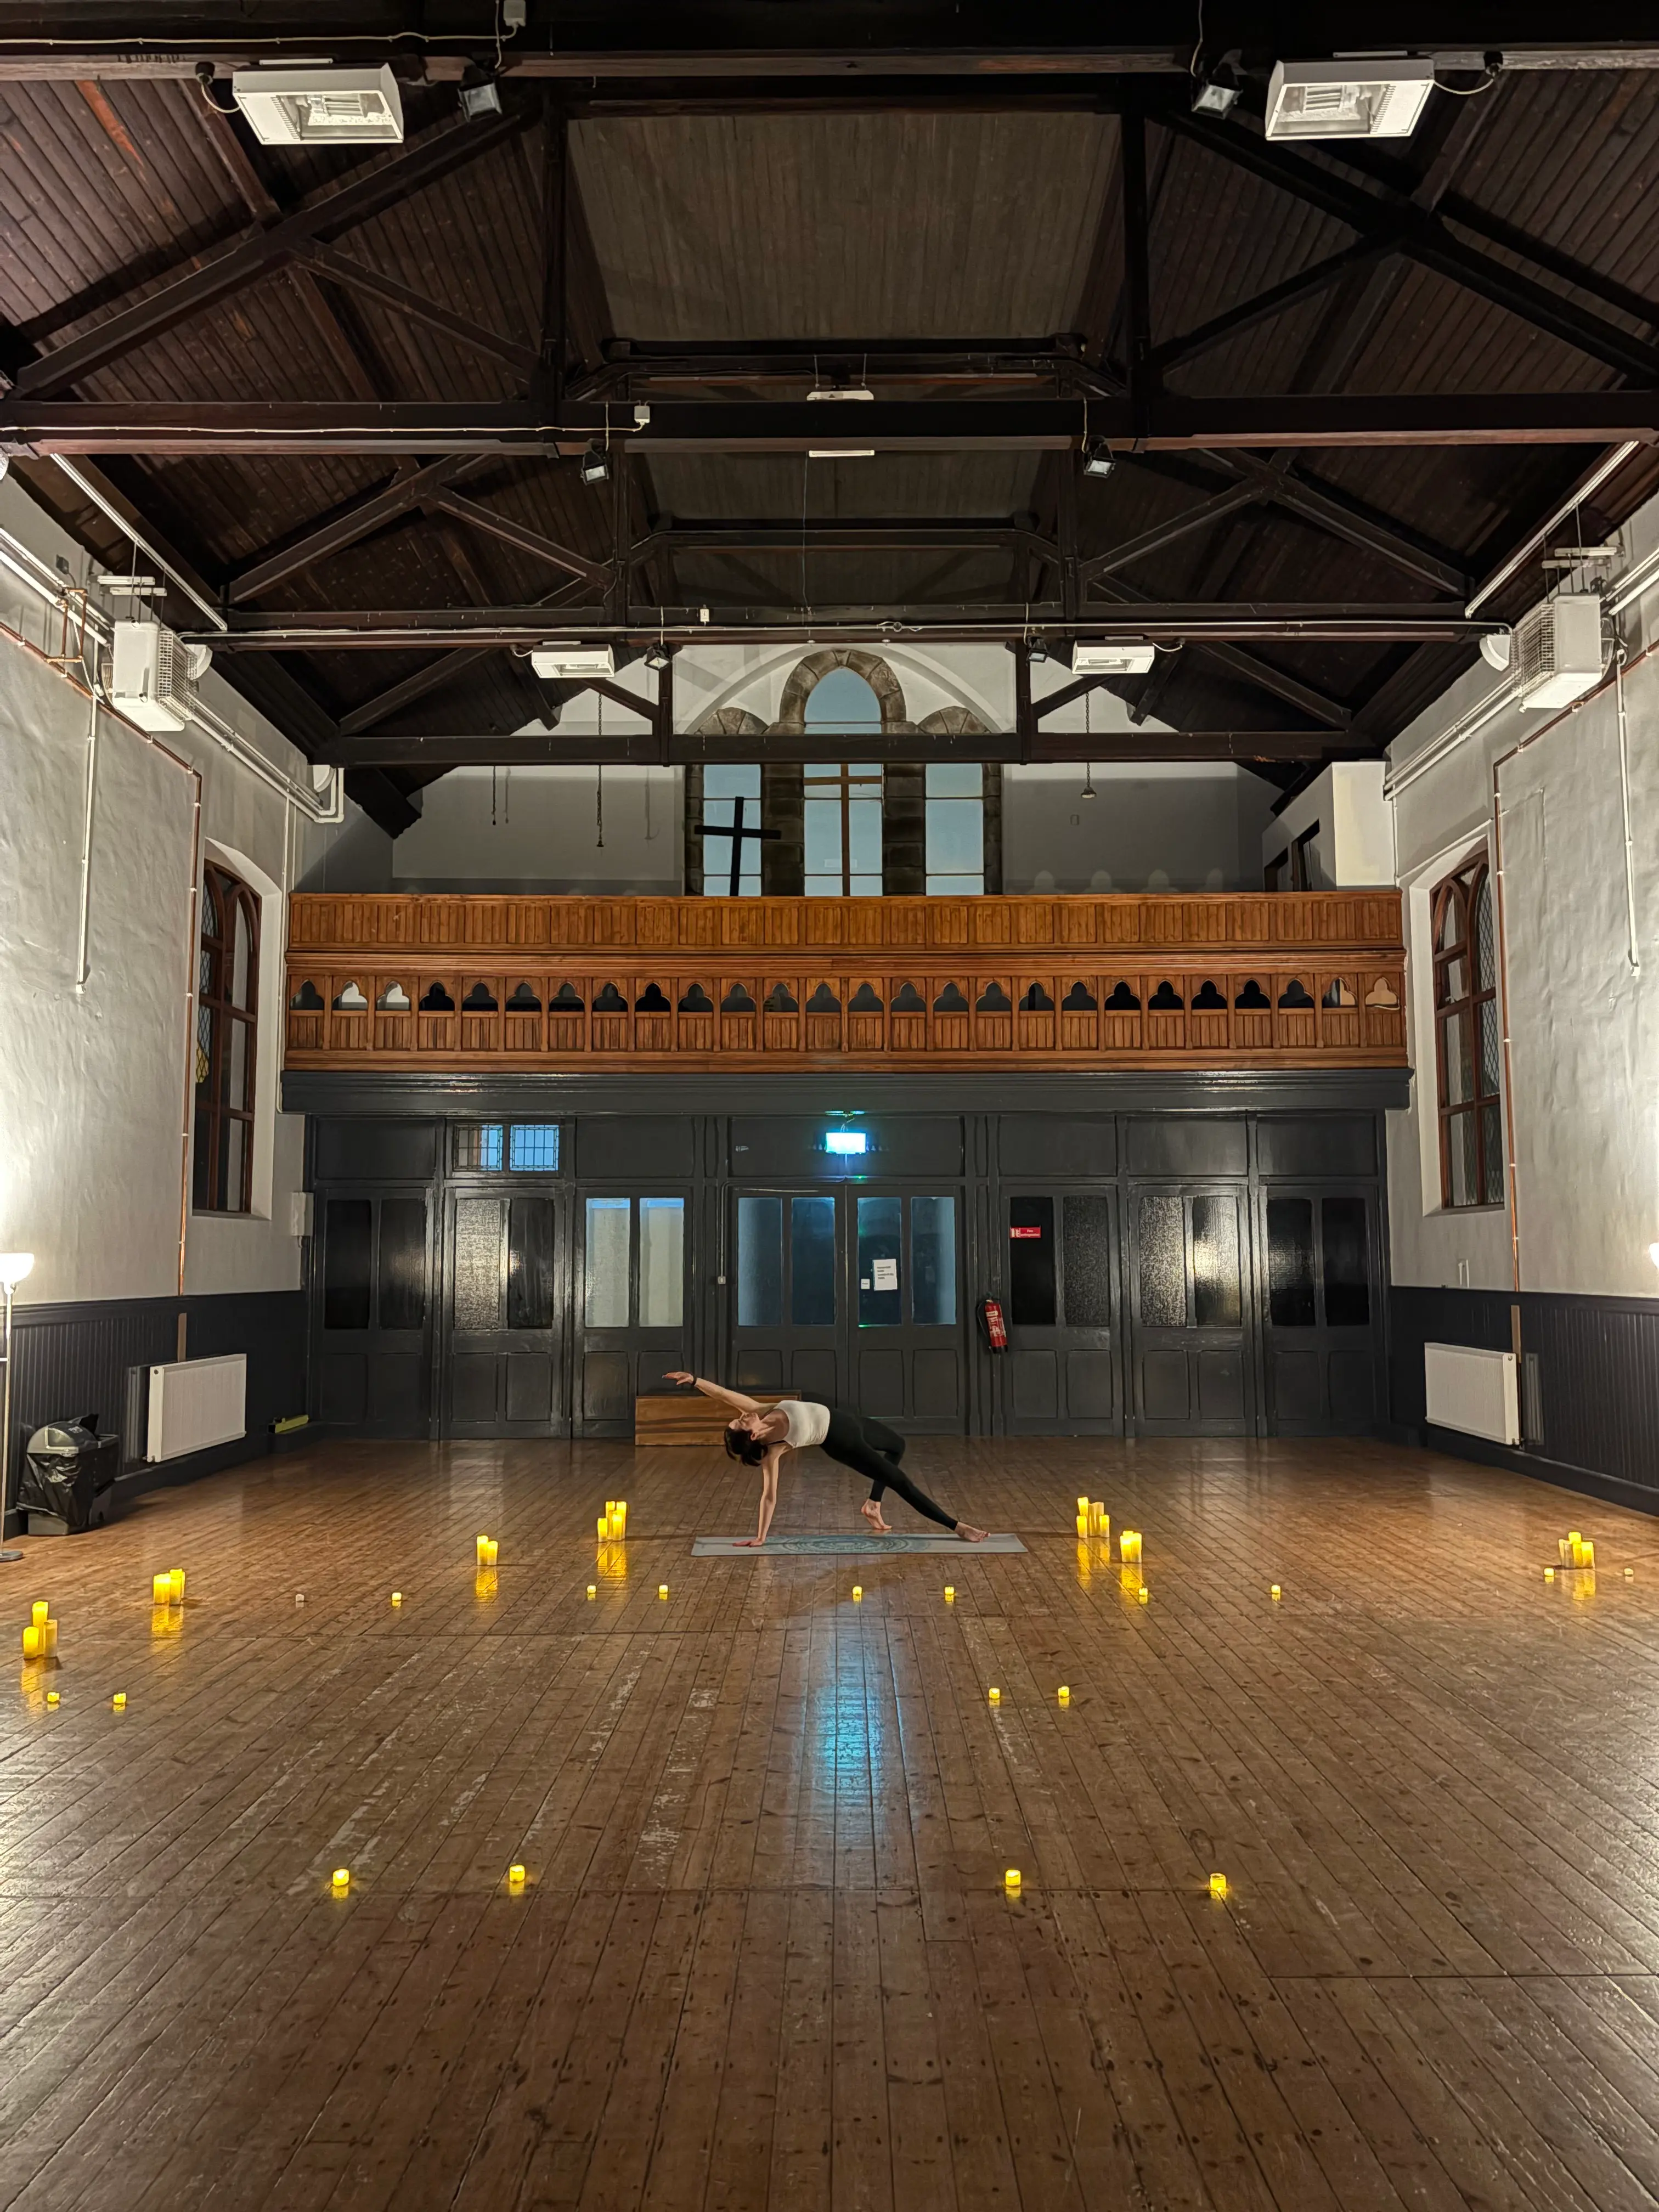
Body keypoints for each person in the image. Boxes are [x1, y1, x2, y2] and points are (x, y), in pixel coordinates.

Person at [663, 1373, 989, 1547]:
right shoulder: (774, 1450)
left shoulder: (759, 1411)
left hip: (848, 1420)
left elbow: (722, 1394)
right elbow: (769, 1496)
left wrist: (694, 1381)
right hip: (842, 1442)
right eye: (740, 1422)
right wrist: (762, 1536)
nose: (743, 1415)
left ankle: (873, 1505)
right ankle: (957, 1527)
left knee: (897, 1445)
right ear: (751, 1436)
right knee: (901, 1482)